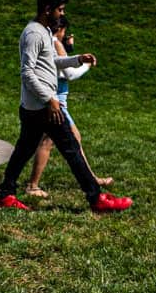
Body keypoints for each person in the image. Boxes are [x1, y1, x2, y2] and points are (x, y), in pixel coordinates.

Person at [0, 0, 131, 213]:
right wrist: (50, 99)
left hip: (35, 106)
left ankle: (6, 195)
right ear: (47, 9)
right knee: (71, 149)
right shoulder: (34, 34)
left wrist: (78, 59)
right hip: (43, 107)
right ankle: (96, 198)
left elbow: (50, 64)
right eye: (60, 9)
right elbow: (27, 72)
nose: (61, 14)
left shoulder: (44, 32)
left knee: (24, 151)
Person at [23, 16, 112, 198]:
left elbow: (61, 64)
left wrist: (72, 51)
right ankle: (32, 185)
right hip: (55, 101)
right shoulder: (53, 42)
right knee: (46, 141)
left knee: (70, 139)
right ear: (60, 29)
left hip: (56, 99)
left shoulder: (52, 41)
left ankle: (91, 179)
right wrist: (86, 64)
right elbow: (69, 74)